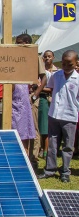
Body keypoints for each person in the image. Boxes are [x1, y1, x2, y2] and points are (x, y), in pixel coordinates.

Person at [37, 50, 79, 183]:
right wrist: (38, 89)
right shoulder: (56, 75)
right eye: (64, 64)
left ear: (76, 63)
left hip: (70, 117)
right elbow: (51, 88)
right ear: (61, 62)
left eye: (70, 64)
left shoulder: (77, 79)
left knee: (67, 146)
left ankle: (65, 171)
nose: (66, 67)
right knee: (53, 144)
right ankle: (50, 169)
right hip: (54, 114)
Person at [38, 50, 58, 159]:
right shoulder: (40, 71)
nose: (47, 58)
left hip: (50, 100)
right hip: (42, 100)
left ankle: (46, 150)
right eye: (45, 56)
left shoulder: (57, 72)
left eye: (49, 56)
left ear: (53, 57)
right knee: (42, 126)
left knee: (47, 127)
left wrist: (40, 88)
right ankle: (42, 148)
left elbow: (53, 89)